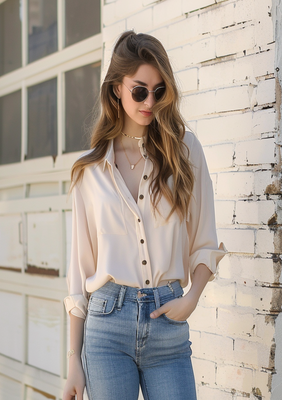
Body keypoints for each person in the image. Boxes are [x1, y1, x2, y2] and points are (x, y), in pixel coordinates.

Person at [63, 31, 226, 400]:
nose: (149, 101)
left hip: (168, 322)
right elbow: (79, 272)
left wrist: (192, 297)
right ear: (117, 88)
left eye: (159, 91)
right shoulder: (89, 171)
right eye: (139, 90)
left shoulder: (185, 151)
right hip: (106, 328)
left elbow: (204, 240)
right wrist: (74, 361)